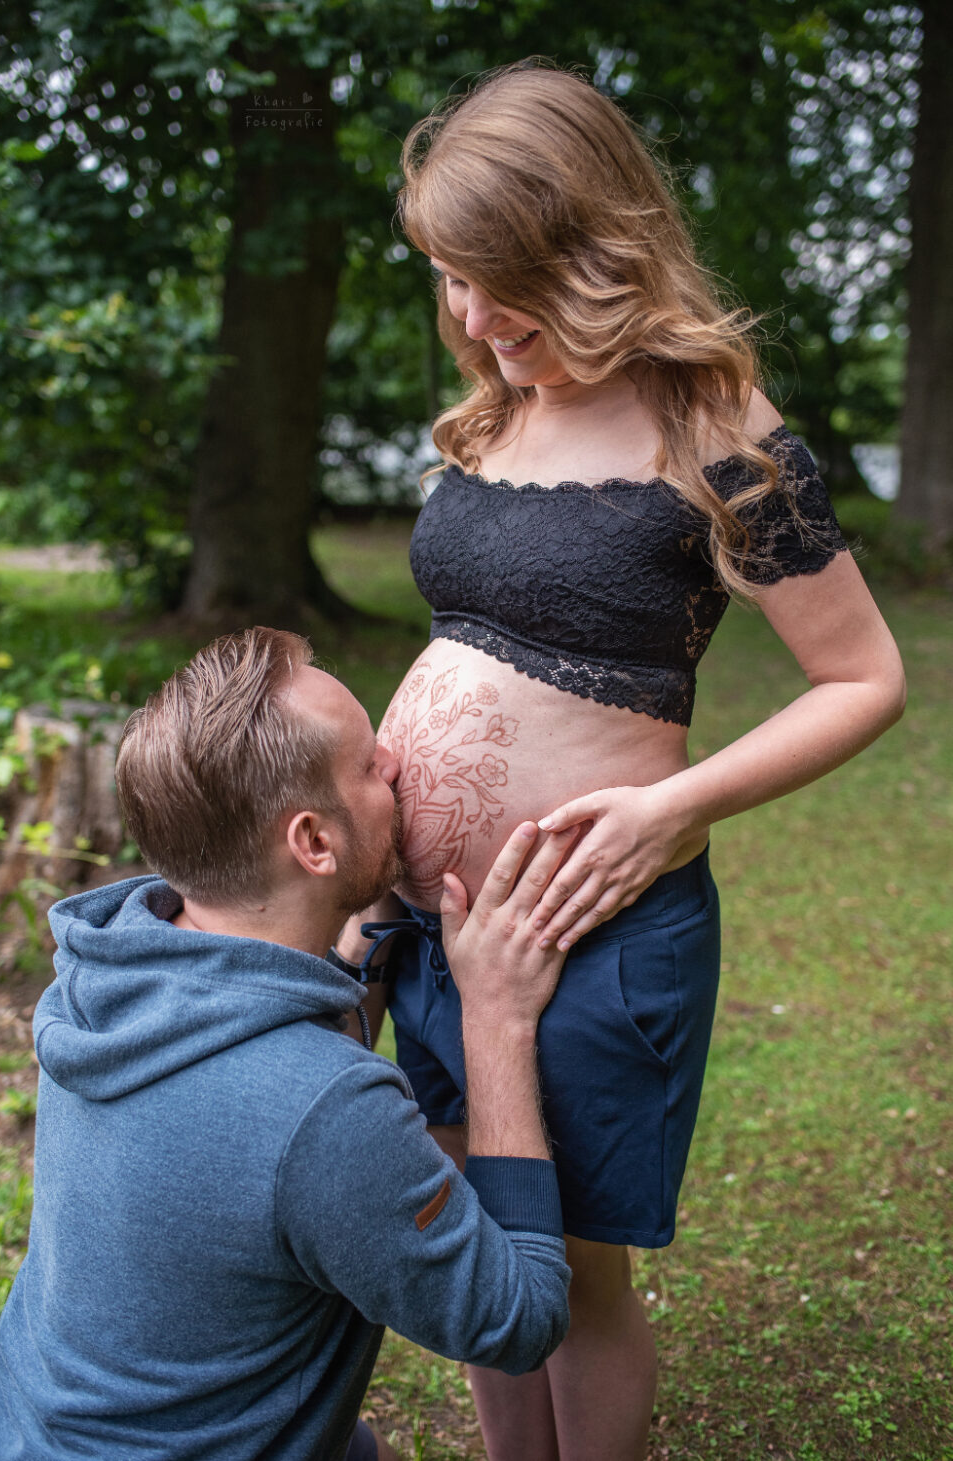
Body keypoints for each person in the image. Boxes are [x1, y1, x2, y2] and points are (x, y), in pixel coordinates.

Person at [335, 60, 907, 1461]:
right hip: (439, 934)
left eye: (491, 279)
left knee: (577, 1267)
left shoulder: (716, 431)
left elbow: (864, 677)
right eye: (446, 280)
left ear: (583, 245)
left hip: (590, 932)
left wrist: (673, 804)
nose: (467, 317)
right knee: (477, 1234)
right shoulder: (493, 413)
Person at [0, 626, 577, 1461]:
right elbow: (517, 1320)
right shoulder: (327, 1111)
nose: (399, 767)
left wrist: (353, 934)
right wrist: (496, 1017)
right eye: (369, 766)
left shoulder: (102, 976)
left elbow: (254, 1111)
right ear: (313, 844)